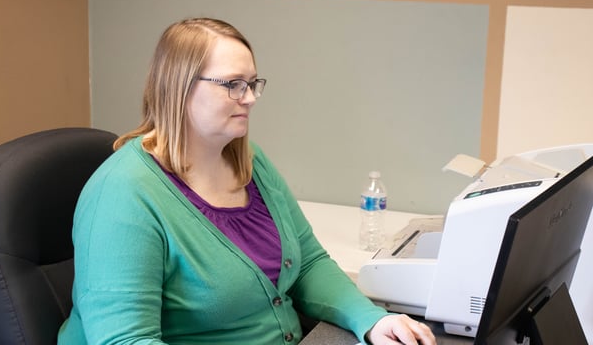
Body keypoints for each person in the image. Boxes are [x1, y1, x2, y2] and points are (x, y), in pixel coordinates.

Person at [57, 17, 435, 345]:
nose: (251, 98)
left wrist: (371, 320)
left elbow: (308, 265)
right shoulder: (124, 194)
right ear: (180, 88)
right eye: (234, 84)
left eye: (254, 83)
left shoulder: (250, 163)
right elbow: (125, 340)